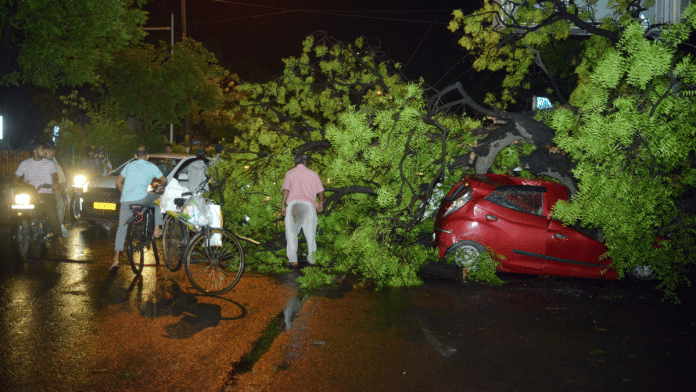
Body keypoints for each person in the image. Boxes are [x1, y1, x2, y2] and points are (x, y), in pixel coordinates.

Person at [110, 145, 167, 274]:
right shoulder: (151, 166)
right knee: (158, 200)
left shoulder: (129, 165)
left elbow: (118, 182)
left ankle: (115, 260)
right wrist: (158, 187)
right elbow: (164, 180)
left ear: (135, 156)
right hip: (142, 198)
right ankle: (157, 228)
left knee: (121, 228)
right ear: (147, 156)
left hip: (126, 201)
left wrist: (123, 193)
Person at [14, 141, 68, 254]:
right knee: (16, 207)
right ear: (35, 150)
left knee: (52, 215)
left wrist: (54, 183)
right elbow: (16, 177)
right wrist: (11, 184)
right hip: (31, 193)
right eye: (42, 149)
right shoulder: (25, 163)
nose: (45, 151)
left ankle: (61, 242)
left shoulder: (49, 164)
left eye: (45, 149)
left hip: (46, 192)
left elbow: (55, 175)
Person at [281, 153, 325, 268]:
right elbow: (321, 192)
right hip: (309, 206)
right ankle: (312, 260)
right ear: (305, 162)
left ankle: (293, 260)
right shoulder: (313, 174)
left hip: (294, 206)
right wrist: (320, 203)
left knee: (291, 234)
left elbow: (285, 191)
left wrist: (282, 206)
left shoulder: (289, 173)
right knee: (311, 236)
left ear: (295, 163)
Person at [42, 142, 70, 237]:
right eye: (50, 150)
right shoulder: (35, 164)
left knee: (61, 202)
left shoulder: (56, 165)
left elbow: (62, 183)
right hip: (37, 193)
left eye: (54, 150)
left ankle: (60, 225)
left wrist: (57, 189)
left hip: (51, 193)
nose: (52, 152)